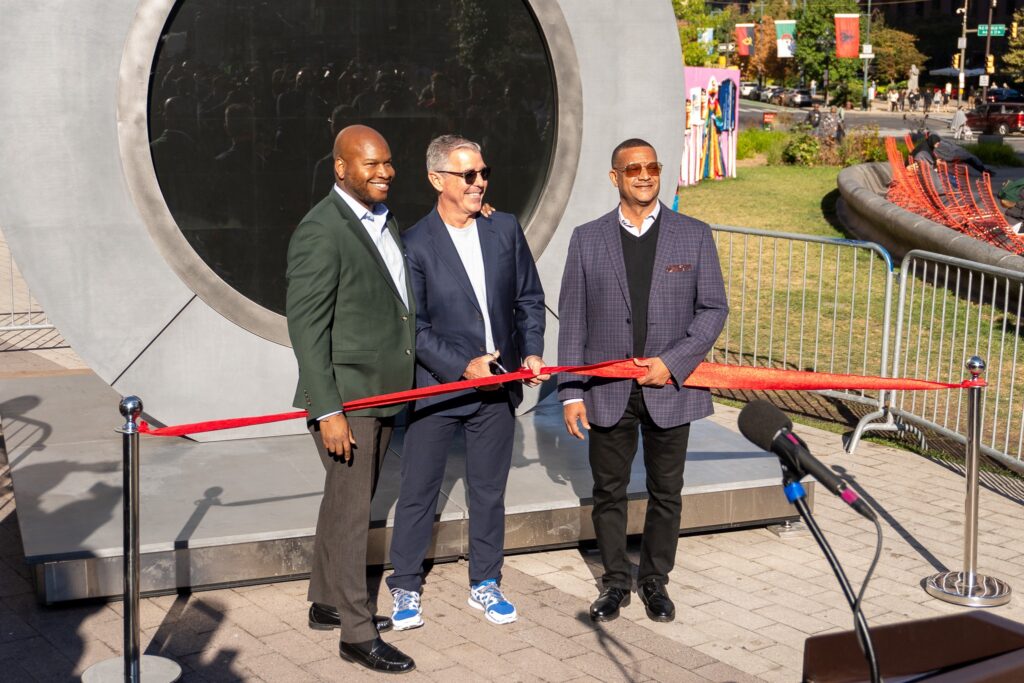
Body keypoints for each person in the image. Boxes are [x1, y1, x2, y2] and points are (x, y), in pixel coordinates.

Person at [557, 139, 728, 623]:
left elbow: (713, 309)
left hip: (669, 388)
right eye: (633, 168)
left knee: (666, 491)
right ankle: (615, 581)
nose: (645, 174)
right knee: (608, 491)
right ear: (615, 177)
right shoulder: (587, 239)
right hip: (607, 390)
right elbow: (573, 321)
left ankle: (655, 579)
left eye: (652, 166)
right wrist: (570, 392)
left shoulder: (693, 235)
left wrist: (672, 362)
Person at [386, 135, 547, 629]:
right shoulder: (414, 243)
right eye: (469, 175)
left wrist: (532, 350)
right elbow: (415, 327)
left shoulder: (504, 228)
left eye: (483, 173)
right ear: (437, 180)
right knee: (418, 490)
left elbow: (528, 298)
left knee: (489, 491)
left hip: (497, 389)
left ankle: (486, 582)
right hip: (438, 388)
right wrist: (463, 366)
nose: (480, 183)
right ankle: (405, 585)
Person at [286, 124, 416, 674]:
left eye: (387, 162)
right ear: (341, 168)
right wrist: (328, 409)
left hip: (383, 393)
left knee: (343, 503)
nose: (384, 172)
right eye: (371, 163)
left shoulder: (383, 219)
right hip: (350, 401)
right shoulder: (322, 230)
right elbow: (306, 329)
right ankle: (357, 633)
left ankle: (326, 602)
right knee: (352, 513)